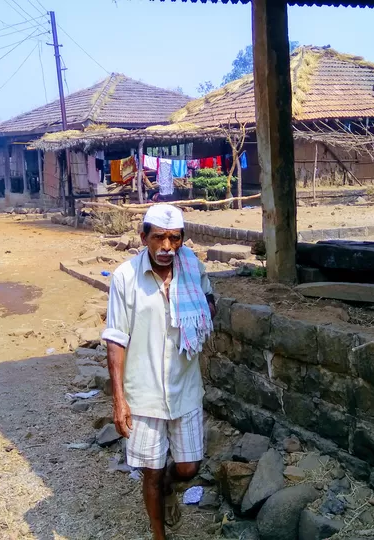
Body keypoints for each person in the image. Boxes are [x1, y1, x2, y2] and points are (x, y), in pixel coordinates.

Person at [102, 204, 215, 539]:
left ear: (182, 239)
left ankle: (169, 485)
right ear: (143, 238)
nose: (167, 246)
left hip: (184, 387)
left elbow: (209, 300)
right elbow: (116, 339)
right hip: (144, 393)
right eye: (159, 238)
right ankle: (158, 534)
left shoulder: (192, 269)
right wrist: (119, 400)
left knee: (188, 467)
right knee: (150, 471)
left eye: (174, 238)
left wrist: (201, 308)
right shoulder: (125, 278)